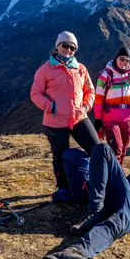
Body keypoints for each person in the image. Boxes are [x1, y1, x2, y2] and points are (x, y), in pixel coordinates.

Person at [30, 31, 101, 191]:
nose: (68, 50)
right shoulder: (45, 69)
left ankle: (97, 183)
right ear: (57, 46)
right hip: (55, 121)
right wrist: (51, 107)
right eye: (65, 46)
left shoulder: (81, 69)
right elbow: (35, 93)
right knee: (59, 156)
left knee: (96, 149)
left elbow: (90, 91)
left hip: (79, 118)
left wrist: (85, 106)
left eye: (73, 48)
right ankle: (63, 188)